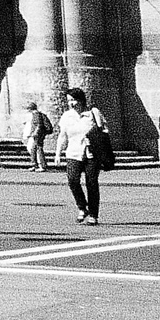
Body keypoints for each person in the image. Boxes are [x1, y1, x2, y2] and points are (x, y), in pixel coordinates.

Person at [54, 87, 109, 225]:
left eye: (73, 100)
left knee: (91, 183)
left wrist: (95, 136)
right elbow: (62, 135)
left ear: (81, 99)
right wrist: (58, 153)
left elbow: (104, 131)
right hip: (73, 152)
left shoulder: (93, 113)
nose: (71, 103)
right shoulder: (67, 116)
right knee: (72, 181)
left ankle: (93, 215)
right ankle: (82, 207)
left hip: (91, 153)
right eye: (69, 101)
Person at [20, 101, 53, 171]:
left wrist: (35, 133)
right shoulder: (36, 114)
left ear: (30, 108)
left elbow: (39, 125)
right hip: (37, 134)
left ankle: (41, 166)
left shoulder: (36, 114)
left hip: (37, 135)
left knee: (38, 149)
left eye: (28, 108)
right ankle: (36, 165)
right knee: (33, 149)